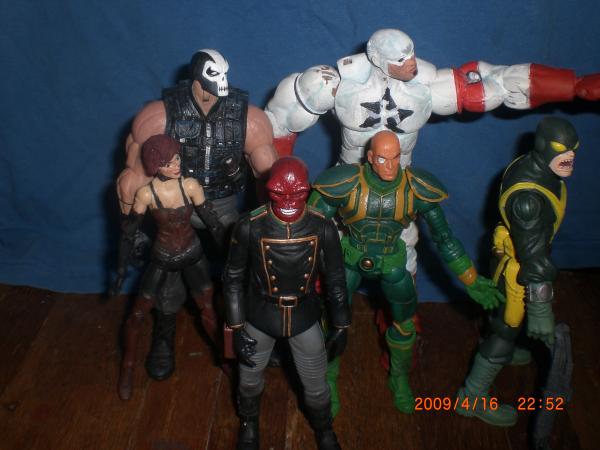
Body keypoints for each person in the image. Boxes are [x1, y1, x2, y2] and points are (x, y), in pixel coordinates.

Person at [266, 28, 600, 276]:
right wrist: (277, 187)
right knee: (324, 258)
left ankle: (402, 331)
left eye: (411, 54)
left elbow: (496, 84)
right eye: (401, 59)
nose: (411, 63)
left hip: (399, 192)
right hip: (345, 191)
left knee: (404, 266)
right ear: (378, 60)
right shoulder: (335, 83)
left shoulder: (425, 87)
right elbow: (279, 125)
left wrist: (573, 86)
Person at [309, 130, 504, 415]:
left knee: (405, 324)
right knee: (332, 320)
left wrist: (470, 279)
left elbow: (445, 238)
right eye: (383, 159)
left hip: (392, 261)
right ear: (370, 157)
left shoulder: (415, 189)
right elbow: (307, 229)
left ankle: (399, 377)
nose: (390, 166)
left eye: (395, 158)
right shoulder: (346, 183)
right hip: (350, 259)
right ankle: (329, 377)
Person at [114, 48, 278, 363]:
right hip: (174, 205)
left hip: (222, 204)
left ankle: (251, 334)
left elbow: (268, 177)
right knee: (169, 276)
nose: (219, 88)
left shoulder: (248, 119)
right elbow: (132, 179)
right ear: (197, 80)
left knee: (246, 268)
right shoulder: (160, 116)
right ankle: (164, 334)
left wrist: (273, 226)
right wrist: (130, 230)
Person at [456, 116, 579, 426]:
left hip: (507, 256)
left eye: (573, 149)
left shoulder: (536, 168)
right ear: (542, 146)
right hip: (518, 270)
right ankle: (471, 398)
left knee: (503, 320)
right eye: (561, 149)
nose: (569, 157)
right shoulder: (528, 200)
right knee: (505, 330)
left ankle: (504, 346)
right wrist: (540, 308)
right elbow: (533, 259)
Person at [223, 156, 350, 450]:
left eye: (299, 193)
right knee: (249, 379)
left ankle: (324, 428)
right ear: (269, 189)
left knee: (316, 384)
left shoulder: (322, 226)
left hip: (304, 315)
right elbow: (232, 278)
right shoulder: (249, 225)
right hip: (260, 314)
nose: (290, 200)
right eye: (280, 192)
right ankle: (249, 424)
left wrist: (342, 324)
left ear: (308, 190)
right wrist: (236, 326)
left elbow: (335, 280)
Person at [115, 134, 224, 400]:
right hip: (162, 256)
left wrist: (231, 254)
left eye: (176, 158)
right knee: (137, 315)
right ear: (155, 166)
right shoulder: (146, 193)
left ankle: (225, 358)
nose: (176, 165)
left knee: (209, 310)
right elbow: (129, 233)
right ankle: (128, 366)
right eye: (167, 163)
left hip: (192, 253)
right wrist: (121, 268)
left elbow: (212, 222)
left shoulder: (190, 186)